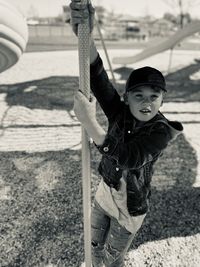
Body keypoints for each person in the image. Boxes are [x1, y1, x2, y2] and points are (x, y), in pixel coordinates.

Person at [70, 1, 183, 266]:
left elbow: (130, 158)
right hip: (104, 194)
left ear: (162, 101)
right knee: (94, 246)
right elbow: (98, 78)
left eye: (154, 97)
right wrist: (85, 35)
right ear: (127, 97)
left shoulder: (162, 132)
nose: (146, 103)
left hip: (130, 208)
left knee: (112, 256)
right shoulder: (119, 112)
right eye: (138, 95)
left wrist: (90, 123)